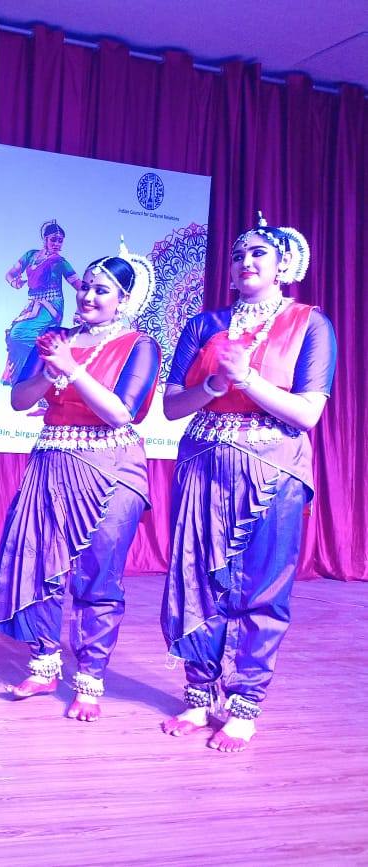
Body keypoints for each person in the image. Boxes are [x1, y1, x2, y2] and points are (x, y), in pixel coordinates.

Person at [160, 213, 335, 752]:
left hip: (274, 470)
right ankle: (198, 694)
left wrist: (249, 380)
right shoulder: (203, 325)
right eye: (238, 255)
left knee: (261, 586)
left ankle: (244, 705)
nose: (244, 262)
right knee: (196, 579)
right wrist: (215, 384)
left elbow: (307, 413)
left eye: (258, 253)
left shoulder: (310, 324)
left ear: (285, 265)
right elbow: (172, 407)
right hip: (203, 464)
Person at [0, 241, 160, 721]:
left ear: (124, 300)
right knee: (39, 564)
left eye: (102, 290)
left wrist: (73, 369)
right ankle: (44, 664)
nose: (87, 296)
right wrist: (48, 373)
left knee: (97, 576)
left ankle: (89, 679)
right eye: (86, 287)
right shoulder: (55, 337)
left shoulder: (140, 346)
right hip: (51, 464)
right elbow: (20, 401)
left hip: (111, 468)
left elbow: (121, 412)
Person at [1, 221, 83, 402]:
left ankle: (49, 371)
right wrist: (15, 282)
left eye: (60, 240)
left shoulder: (60, 262)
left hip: (52, 306)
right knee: (14, 337)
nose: (57, 243)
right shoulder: (30, 255)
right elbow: (10, 274)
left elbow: (80, 287)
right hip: (32, 305)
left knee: (20, 334)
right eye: (54, 239)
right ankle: (31, 383)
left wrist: (79, 311)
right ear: (45, 239)